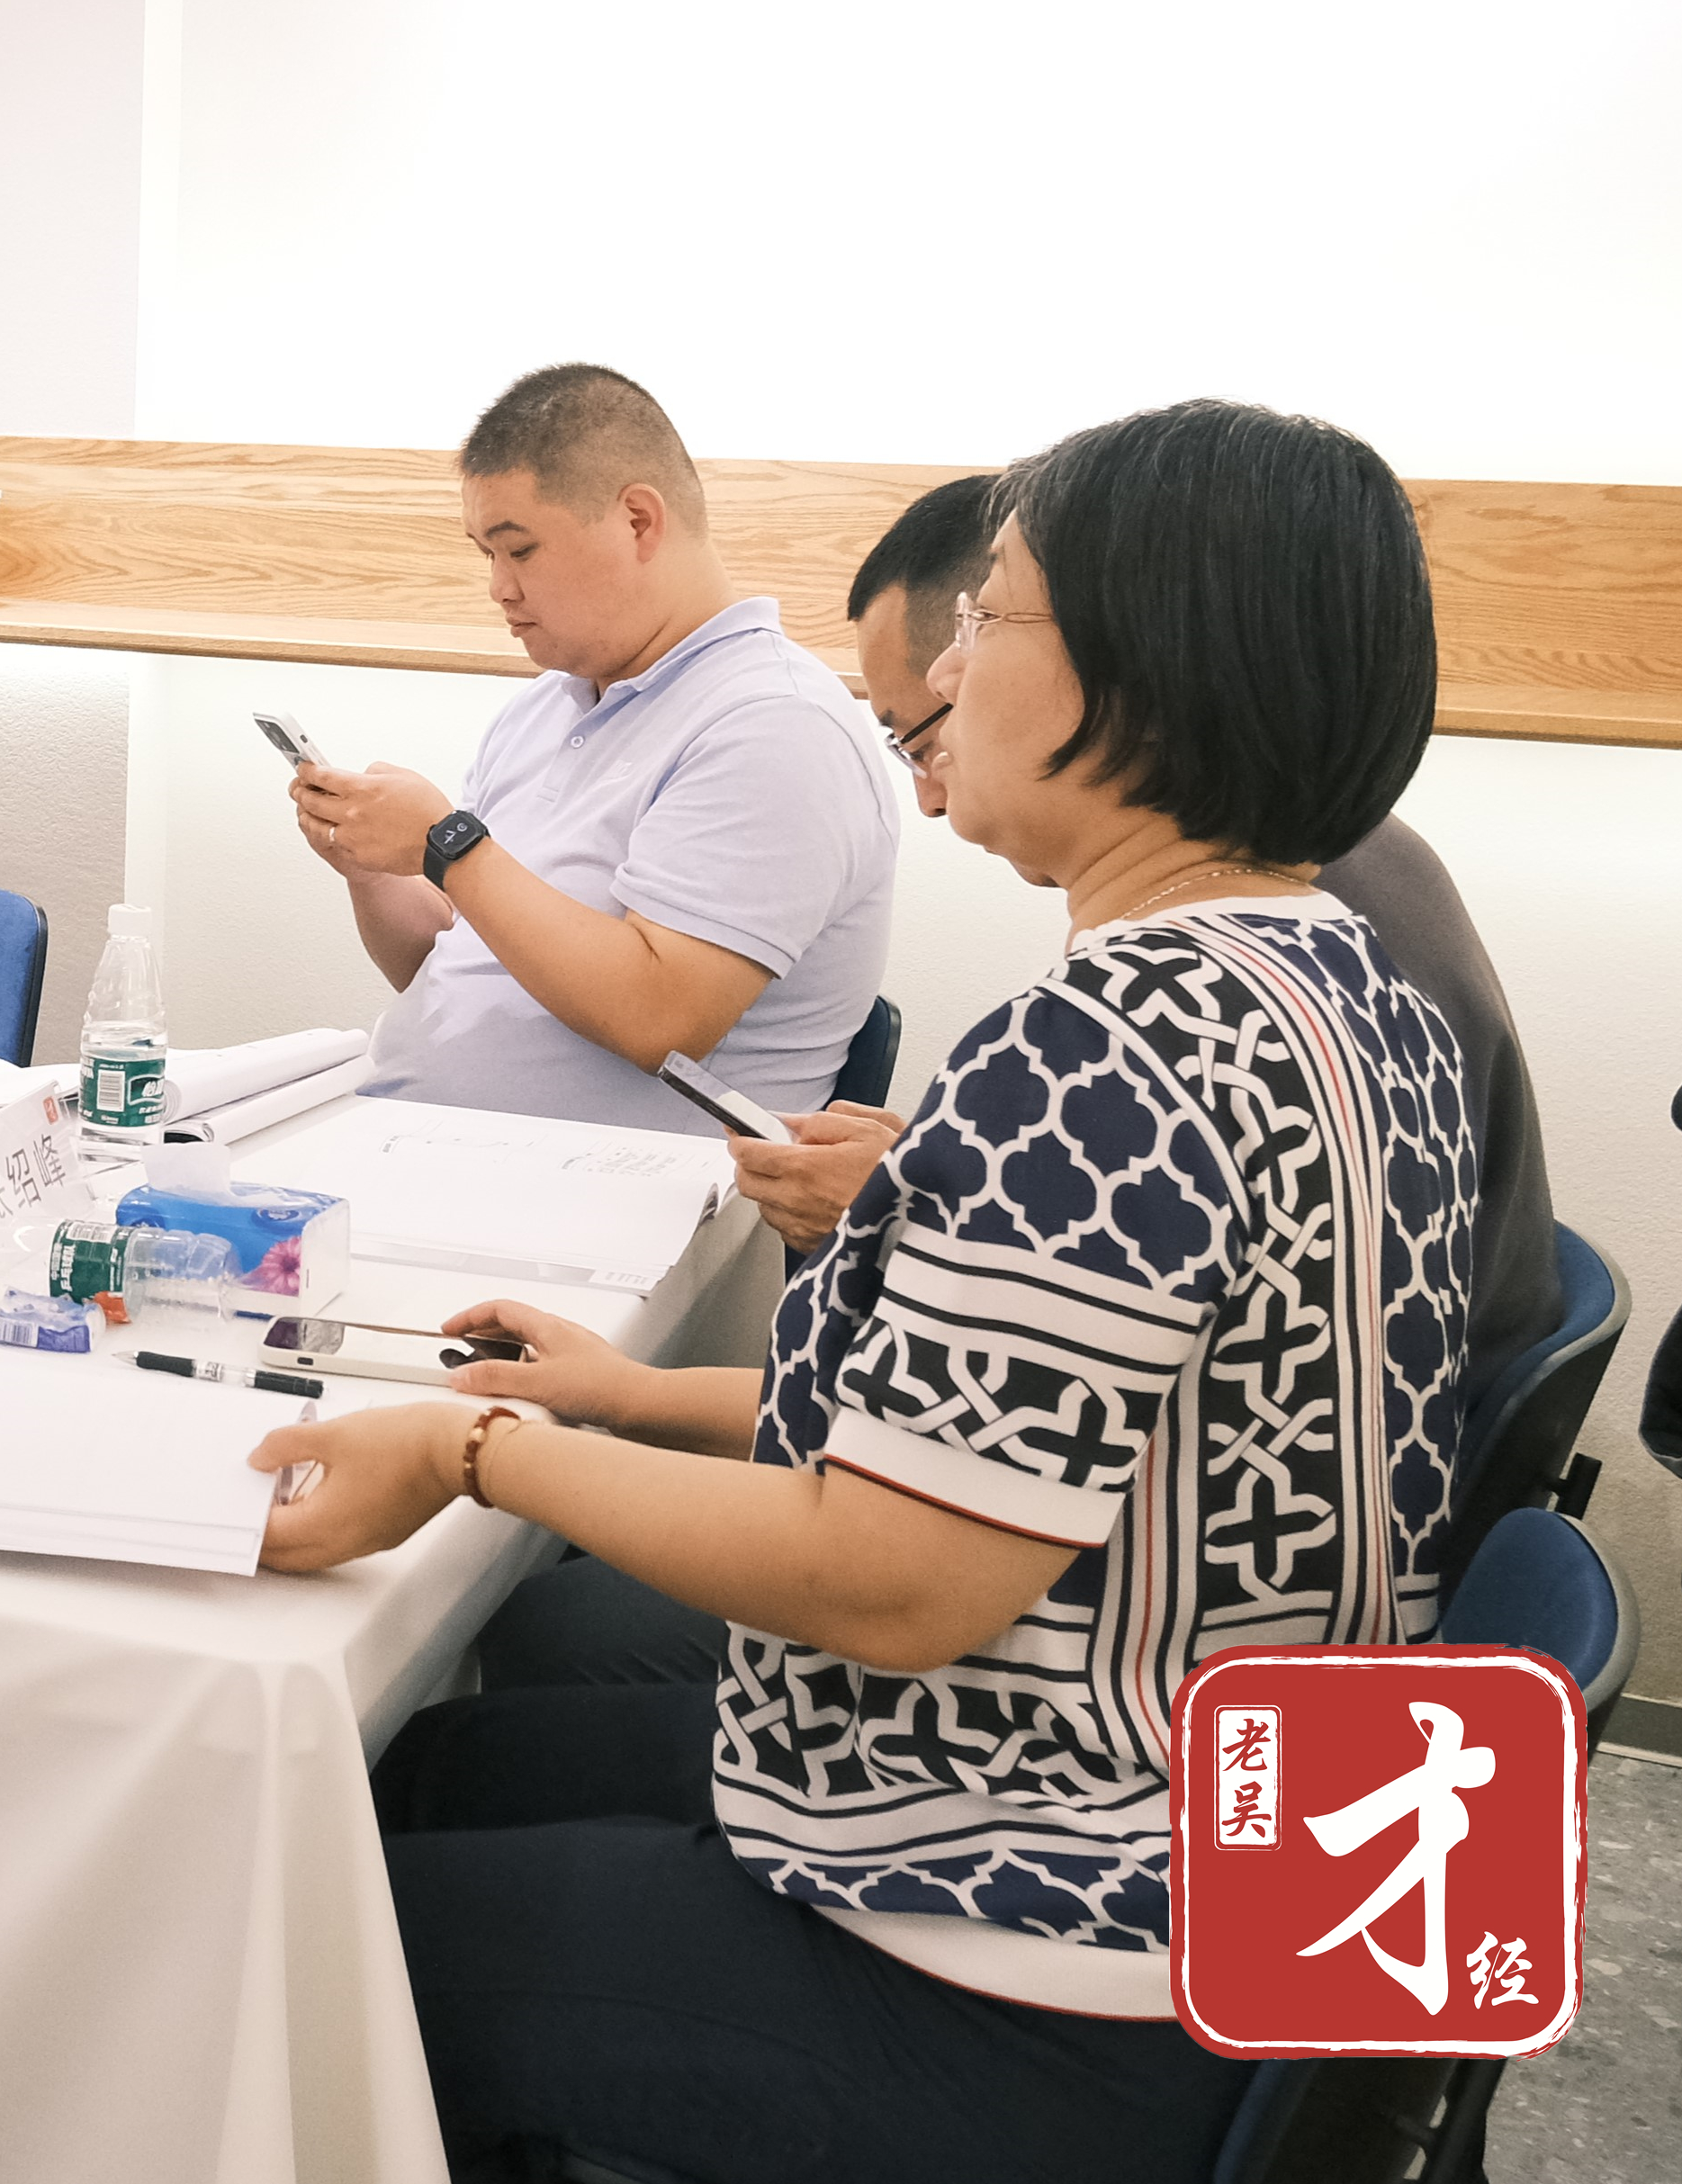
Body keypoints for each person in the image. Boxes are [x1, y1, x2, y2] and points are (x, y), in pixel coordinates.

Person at [255, 400, 1474, 2182]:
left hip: (1050, 1935)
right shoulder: (1352, 993)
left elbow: (888, 1577)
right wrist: (623, 1393)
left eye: (991, 612)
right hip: (1246, 1868)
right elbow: (1020, 1445)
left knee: (299, 1931)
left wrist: (471, 1449)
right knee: (438, 1778)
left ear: (1135, 677)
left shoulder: (1108, 1049)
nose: (944, 671)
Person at [739, 471, 1564, 1394]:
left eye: (983, 627)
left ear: (1120, 666)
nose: (927, 791)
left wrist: (921, 1214)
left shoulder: (1145, 1014)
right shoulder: (1295, 912)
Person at [294, 364, 895, 1135]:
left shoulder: (775, 723)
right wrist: (376, 869)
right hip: (424, 1148)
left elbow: (660, 1019)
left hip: (623, 1192)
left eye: (519, 550)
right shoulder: (544, 707)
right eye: (486, 554)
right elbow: (461, 968)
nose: (498, 587)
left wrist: (447, 845)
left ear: (638, 521)